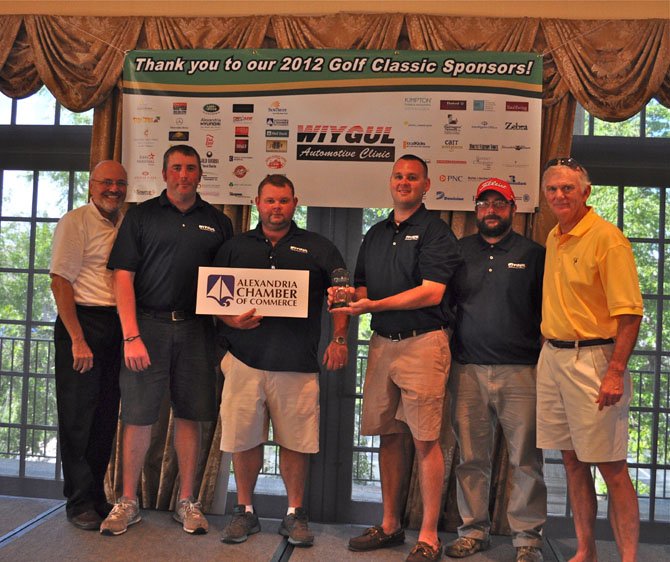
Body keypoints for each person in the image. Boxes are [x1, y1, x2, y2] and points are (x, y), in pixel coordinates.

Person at [335, 155, 462, 562]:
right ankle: (390, 525)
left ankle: (428, 535)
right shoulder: (374, 233)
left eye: (412, 177)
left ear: (427, 185)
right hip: (382, 344)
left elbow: (432, 292)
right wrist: (345, 298)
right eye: (398, 176)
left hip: (423, 343)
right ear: (391, 182)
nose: (404, 182)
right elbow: (361, 288)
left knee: (426, 440)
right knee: (388, 435)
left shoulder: (436, 232)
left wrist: (373, 305)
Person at [101, 145, 233, 536]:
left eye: (191, 168)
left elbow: (232, 281)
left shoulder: (218, 221)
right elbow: (122, 276)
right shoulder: (140, 216)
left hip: (196, 329)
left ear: (199, 175)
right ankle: (127, 501)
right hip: (147, 327)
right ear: (164, 174)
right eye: (176, 167)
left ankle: (187, 501)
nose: (184, 175)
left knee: (191, 413)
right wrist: (131, 336)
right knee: (138, 414)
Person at [216, 174, 349, 548]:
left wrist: (339, 338)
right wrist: (231, 320)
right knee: (243, 439)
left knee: (296, 441)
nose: (277, 207)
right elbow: (213, 302)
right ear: (257, 202)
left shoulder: (319, 247)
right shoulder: (234, 246)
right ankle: (245, 511)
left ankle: (294, 514)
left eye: (284, 200)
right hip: (244, 359)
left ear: (295, 202)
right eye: (270, 200)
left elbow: (340, 296)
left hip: (297, 362)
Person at [538, 158, 643, 562]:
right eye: (553, 189)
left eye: (568, 188)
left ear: (586, 192)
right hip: (554, 357)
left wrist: (615, 371)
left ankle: (630, 557)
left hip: (595, 359)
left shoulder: (607, 239)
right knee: (571, 461)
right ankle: (586, 550)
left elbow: (629, 313)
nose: (560, 195)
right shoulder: (553, 236)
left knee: (611, 467)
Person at [445, 178, 546, 562]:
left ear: (512, 209)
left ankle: (527, 540)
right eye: (484, 204)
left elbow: (546, 313)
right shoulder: (458, 252)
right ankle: (473, 531)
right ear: (476, 210)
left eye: (499, 204)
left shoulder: (534, 254)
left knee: (526, 460)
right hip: (467, 370)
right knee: (471, 458)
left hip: (521, 373)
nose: (491, 210)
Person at [50, 160, 128, 530]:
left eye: (119, 183)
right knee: (78, 417)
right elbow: (60, 282)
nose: (113, 189)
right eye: (106, 183)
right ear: (91, 185)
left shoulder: (126, 223)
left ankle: (96, 496)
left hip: (115, 324)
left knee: (104, 416)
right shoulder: (75, 221)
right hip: (80, 323)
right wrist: (78, 339)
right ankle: (78, 502)